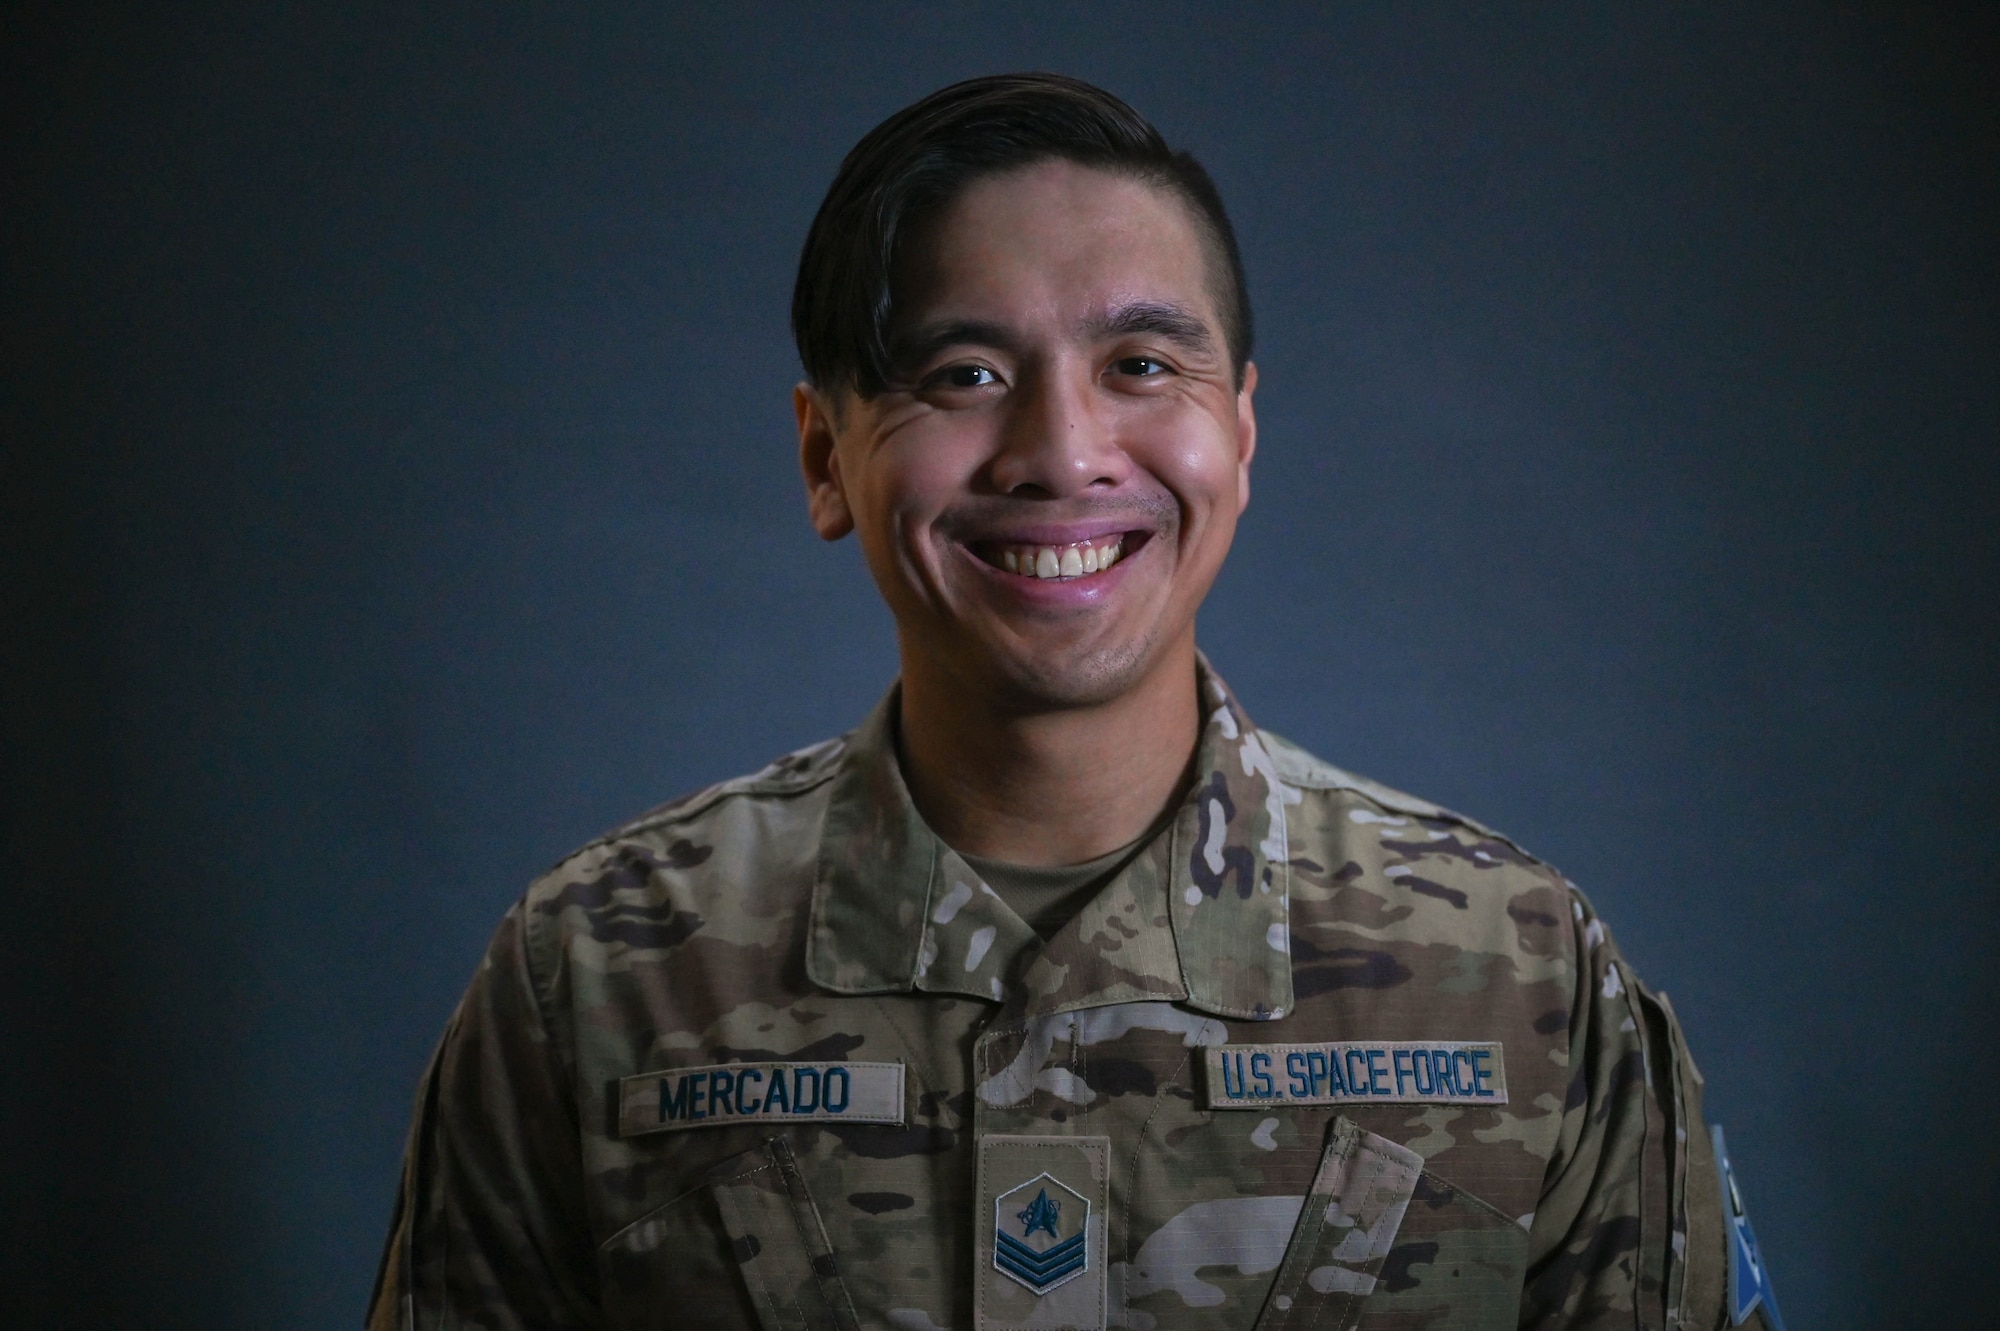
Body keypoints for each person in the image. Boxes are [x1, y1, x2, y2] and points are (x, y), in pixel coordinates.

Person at [367, 74, 1783, 1331]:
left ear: (1238, 426)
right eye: (964, 374)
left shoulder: (1519, 975)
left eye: (1142, 367)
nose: (1060, 450)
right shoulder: (601, 976)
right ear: (823, 456)